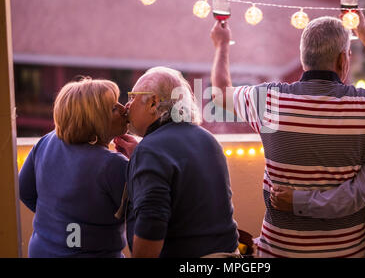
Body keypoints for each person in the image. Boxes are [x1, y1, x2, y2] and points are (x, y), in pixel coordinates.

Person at [210, 17, 365, 258]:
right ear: (343, 59)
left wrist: (222, 45)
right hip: (348, 252)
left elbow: (219, 94)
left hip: (279, 250)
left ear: (304, 57)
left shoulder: (267, 99)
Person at [114, 66, 239, 258]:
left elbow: (151, 225)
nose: (127, 105)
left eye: (133, 97)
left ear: (153, 103)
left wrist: (144, 156)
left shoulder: (151, 150)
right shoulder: (207, 139)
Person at [19, 78, 129, 257]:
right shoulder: (114, 165)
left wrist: (58, 223)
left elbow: (24, 191)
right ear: (95, 120)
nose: (125, 109)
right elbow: (144, 217)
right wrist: (140, 163)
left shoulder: (46, 141)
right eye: (114, 108)